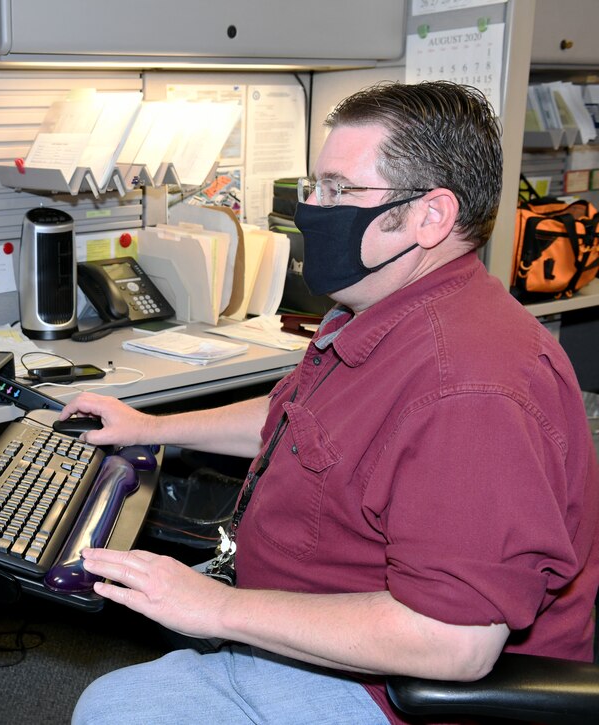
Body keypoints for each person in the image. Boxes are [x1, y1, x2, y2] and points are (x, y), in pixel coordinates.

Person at [63, 81, 599, 725]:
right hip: (313, 628)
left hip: (394, 689)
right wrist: (150, 426)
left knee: (120, 711)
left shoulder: (472, 388)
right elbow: (296, 421)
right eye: (315, 187)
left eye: (339, 190)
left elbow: (453, 643)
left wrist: (213, 607)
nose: (311, 208)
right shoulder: (377, 307)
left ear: (431, 215)